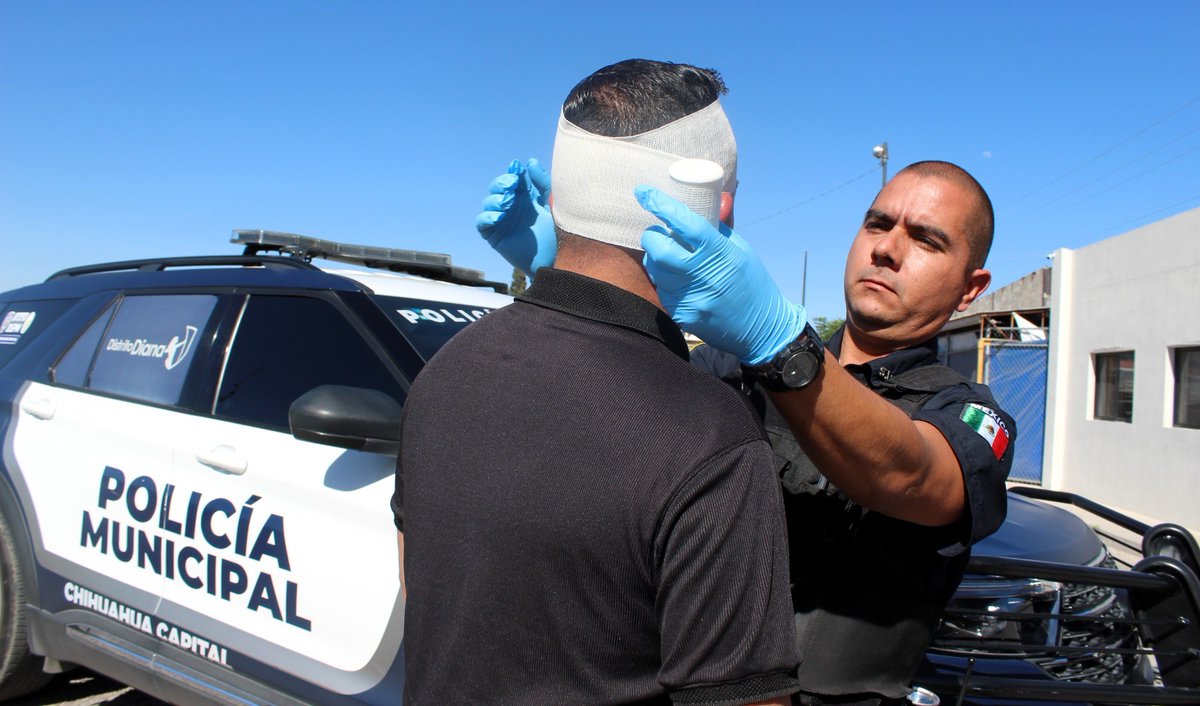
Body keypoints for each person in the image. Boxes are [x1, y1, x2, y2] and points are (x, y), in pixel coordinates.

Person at [480, 160, 1014, 705]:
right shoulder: (735, 367)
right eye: (878, 224)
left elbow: (911, 475)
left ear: (971, 288)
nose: (887, 249)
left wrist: (779, 344)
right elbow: (616, 407)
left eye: (926, 240)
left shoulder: (967, 413)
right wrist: (574, 277)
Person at [394, 59, 799, 706]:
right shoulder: (709, 434)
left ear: (557, 199)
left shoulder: (445, 372)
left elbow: (425, 590)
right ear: (718, 205)